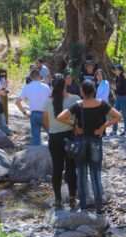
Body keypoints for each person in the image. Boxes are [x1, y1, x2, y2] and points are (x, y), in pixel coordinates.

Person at [57, 80, 122, 214]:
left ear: (82, 92)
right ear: (93, 91)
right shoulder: (102, 104)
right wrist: (104, 126)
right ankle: (99, 207)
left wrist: (74, 125)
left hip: (80, 141)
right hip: (96, 142)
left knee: (81, 174)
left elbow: (60, 117)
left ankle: (84, 206)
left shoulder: (78, 105)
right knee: (95, 175)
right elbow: (118, 116)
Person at [43, 74, 79, 210]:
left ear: (52, 85)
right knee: (71, 168)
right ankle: (72, 199)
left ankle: (58, 199)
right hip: (70, 137)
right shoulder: (75, 99)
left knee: (57, 169)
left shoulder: (47, 102)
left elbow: (45, 123)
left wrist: (53, 130)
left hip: (54, 138)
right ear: (66, 84)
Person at [16, 69, 51, 145]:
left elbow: (17, 102)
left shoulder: (27, 87)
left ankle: (37, 155)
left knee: (36, 140)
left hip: (34, 114)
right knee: (52, 135)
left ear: (31, 78)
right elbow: (51, 100)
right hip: (46, 114)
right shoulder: (46, 87)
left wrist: (25, 113)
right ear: (40, 77)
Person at [111, 65, 126, 136]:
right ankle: (114, 130)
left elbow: (124, 91)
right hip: (118, 98)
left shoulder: (124, 79)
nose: (115, 71)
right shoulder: (117, 78)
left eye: (116, 69)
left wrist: (115, 89)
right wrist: (114, 89)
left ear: (120, 71)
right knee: (115, 114)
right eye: (115, 69)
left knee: (124, 114)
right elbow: (117, 91)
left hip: (123, 98)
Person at [0, 69, 12, 136]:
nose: (3, 74)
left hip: (5, 95)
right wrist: (3, 84)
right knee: (1, 109)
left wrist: (6, 84)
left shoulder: (4, 78)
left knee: (5, 109)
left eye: (4, 73)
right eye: (2, 73)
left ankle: (5, 123)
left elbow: (6, 88)